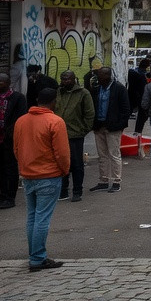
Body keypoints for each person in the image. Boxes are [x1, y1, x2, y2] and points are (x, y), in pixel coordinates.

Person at [13, 88, 70, 271]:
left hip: (29, 175)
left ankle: (35, 255)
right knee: (42, 218)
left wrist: (24, 167)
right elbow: (62, 153)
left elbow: (16, 149)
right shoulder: (55, 121)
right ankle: (37, 258)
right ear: (55, 101)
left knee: (32, 216)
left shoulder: (21, 121)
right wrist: (64, 170)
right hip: (49, 174)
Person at [0, 74, 27, 209]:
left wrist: (9, 133)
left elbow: (20, 118)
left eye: (0, 82)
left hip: (9, 139)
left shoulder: (18, 98)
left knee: (11, 168)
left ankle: (10, 197)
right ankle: (2, 196)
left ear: (8, 83)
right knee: (0, 168)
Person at [88, 67, 131, 193]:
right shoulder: (97, 89)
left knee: (114, 154)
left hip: (113, 127)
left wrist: (119, 125)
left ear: (107, 76)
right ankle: (104, 180)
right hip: (99, 126)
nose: (98, 78)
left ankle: (117, 181)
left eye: (101, 75)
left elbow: (125, 109)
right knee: (102, 155)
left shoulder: (119, 89)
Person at [55, 70, 95, 202]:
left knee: (77, 164)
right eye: (63, 79)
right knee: (61, 163)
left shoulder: (83, 93)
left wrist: (83, 130)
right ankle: (63, 190)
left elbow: (89, 114)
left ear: (74, 79)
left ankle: (77, 190)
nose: (65, 81)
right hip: (59, 135)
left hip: (75, 135)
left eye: (68, 79)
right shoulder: (58, 93)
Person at [130, 58, 151, 141]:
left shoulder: (136, 72)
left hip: (136, 96)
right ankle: (138, 132)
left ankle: (137, 132)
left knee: (141, 115)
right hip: (141, 97)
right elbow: (144, 88)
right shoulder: (142, 75)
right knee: (142, 115)